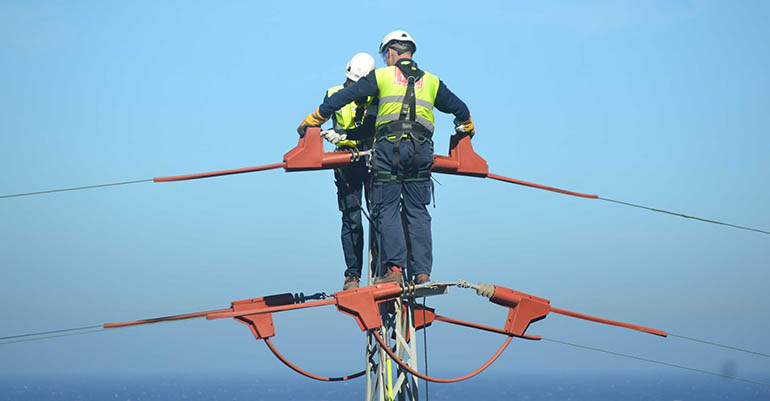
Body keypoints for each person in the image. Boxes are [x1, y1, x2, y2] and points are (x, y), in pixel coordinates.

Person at [298, 30, 474, 286]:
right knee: (417, 210)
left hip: (389, 150)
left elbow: (343, 97)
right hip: (421, 150)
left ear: (391, 51)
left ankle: (394, 269)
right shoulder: (433, 81)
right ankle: (422, 274)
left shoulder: (382, 76)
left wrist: (314, 119)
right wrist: (466, 126)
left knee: (387, 208)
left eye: (384, 54)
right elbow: (461, 110)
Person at [321, 53, 377, 291]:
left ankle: (384, 270)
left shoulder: (375, 96)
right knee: (352, 218)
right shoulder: (333, 93)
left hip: (372, 158)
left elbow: (371, 127)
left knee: (381, 217)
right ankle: (353, 275)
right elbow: (319, 117)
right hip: (345, 161)